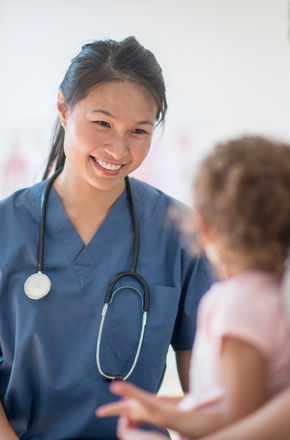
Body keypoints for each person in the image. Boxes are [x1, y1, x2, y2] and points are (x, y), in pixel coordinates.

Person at [0, 37, 212, 440]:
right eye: (102, 123)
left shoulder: (180, 233)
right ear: (63, 109)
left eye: (138, 131)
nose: (118, 149)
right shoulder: (6, 226)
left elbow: (207, 394)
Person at [97, 136, 290, 439]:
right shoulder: (275, 295)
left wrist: (159, 425)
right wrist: (161, 410)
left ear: (204, 224)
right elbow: (230, 403)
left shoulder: (238, 305)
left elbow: (237, 419)